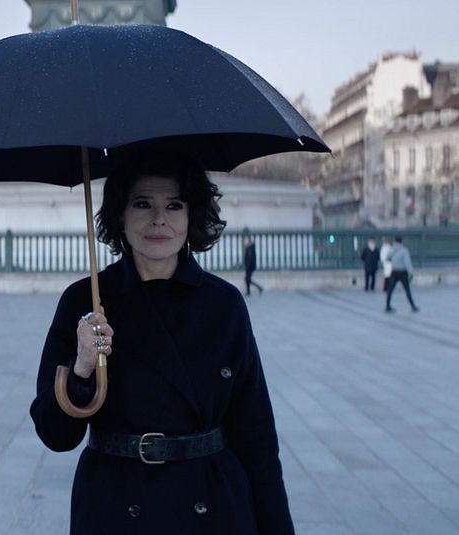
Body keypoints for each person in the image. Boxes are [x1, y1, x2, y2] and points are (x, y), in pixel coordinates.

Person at [29, 152, 293, 534]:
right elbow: (55, 435)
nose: (159, 219)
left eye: (174, 205)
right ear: (120, 214)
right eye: (142, 204)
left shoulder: (225, 305)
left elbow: (257, 439)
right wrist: (82, 368)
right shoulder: (84, 302)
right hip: (116, 506)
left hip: (214, 507)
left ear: (192, 217)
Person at [385, 236, 419, 313]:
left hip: (394, 271)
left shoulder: (392, 249)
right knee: (407, 290)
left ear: (395, 241)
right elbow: (407, 263)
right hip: (403, 272)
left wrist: (394, 261)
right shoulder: (404, 250)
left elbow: (387, 258)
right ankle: (413, 306)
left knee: (390, 290)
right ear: (401, 241)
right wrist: (411, 272)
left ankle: (387, 306)